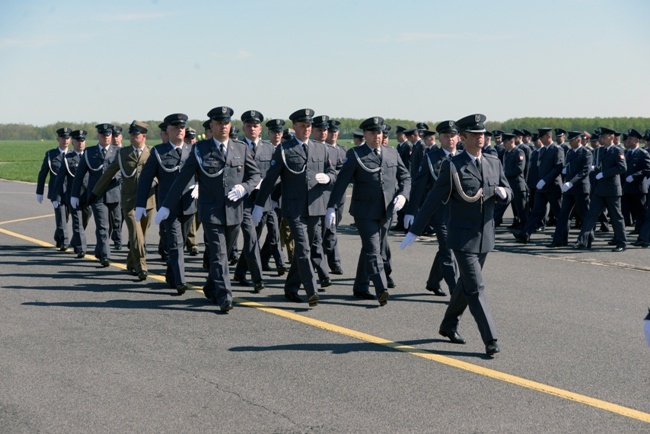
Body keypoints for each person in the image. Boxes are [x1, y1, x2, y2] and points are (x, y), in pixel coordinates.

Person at [401, 114, 512, 357]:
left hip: (485, 235)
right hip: (462, 237)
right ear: (463, 137)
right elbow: (432, 199)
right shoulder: (453, 165)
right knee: (476, 287)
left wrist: (505, 194)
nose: (480, 137)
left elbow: (507, 189)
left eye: (482, 133)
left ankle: (448, 325)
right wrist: (415, 229)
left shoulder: (494, 162)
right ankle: (490, 338)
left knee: (464, 285)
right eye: (474, 134)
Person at [156, 106, 261, 313]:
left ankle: (211, 286)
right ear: (211, 126)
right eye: (219, 123)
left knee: (226, 253)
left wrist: (244, 188)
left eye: (226, 123)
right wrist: (166, 206)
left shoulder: (240, 148)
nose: (223, 127)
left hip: (234, 211)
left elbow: (255, 175)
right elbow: (181, 180)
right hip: (211, 211)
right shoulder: (200, 149)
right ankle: (225, 297)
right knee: (219, 255)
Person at [251, 108, 337, 307]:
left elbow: (333, 172)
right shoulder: (284, 149)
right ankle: (311, 291)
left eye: (308, 126)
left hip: (315, 207)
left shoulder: (321, 148)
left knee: (305, 249)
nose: (306, 129)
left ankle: (290, 288)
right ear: (294, 128)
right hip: (294, 208)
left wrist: (329, 178)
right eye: (302, 126)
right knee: (303, 248)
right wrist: (259, 204)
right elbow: (271, 178)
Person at [325, 116, 409, 305]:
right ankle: (381, 289)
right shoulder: (355, 154)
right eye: (372, 133)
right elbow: (342, 182)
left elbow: (406, 177)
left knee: (371, 248)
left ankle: (361, 286)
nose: (376, 136)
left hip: (386, 210)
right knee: (373, 250)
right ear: (365, 134)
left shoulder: (391, 153)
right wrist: (331, 206)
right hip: (364, 212)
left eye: (379, 133)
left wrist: (403, 195)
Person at [136, 114, 197, 294]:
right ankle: (180, 281)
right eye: (175, 128)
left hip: (188, 205)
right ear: (168, 131)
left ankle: (171, 274)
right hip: (167, 208)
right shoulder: (158, 152)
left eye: (182, 128)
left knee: (181, 242)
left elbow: (203, 172)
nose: (179, 130)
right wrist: (140, 204)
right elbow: (145, 179)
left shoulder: (193, 150)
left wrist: (200, 185)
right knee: (175, 243)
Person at [93, 121, 155, 281]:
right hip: (129, 201)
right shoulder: (123, 153)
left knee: (141, 234)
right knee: (136, 234)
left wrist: (156, 181)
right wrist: (94, 193)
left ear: (144, 136)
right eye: (131, 135)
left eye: (136, 135)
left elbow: (160, 173)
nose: (133, 137)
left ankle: (130, 262)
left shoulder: (152, 152)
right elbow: (109, 173)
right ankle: (141, 267)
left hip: (148, 201)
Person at [404, 121, 460, 296]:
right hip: (439, 212)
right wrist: (411, 211)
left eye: (453, 136)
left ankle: (433, 282)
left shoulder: (463, 156)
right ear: (439, 138)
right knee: (447, 249)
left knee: (448, 248)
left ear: (458, 137)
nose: (450, 140)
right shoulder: (431, 157)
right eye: (446, 136)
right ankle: (456, 291)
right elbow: (419, 186)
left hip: (459, 213)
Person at [232, 110, 274, 292]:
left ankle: (240, 273)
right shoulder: (236, 147)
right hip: (243, 201)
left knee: (254, 238)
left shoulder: (270, 148)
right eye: (248, 126)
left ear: (260, 129)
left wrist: (266, 183)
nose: (252, 129)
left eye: (255, 126)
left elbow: (278, 175)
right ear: (243, 128)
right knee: (250, 238)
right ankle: (258, 278)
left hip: (263, 201)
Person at [70, 123, 120, 267]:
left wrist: (115, 176)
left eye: (109, 135)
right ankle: (105, 256)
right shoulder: (89, 152)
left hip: (114, 194)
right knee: (102, 226)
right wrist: (74, 195)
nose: (106, 137)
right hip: (97, 196)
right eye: (103, 135)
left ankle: (99, 250)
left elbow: (123, 171)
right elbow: (79, 175)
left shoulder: (119, 151)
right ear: (98, 136)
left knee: (110, 226)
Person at [574, 127, 627, 251]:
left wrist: (604, 173)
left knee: (616, 217)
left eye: (604, 137)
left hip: (612, 189)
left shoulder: (617, 150)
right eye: (601, 137)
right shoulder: (601, 151)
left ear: (612, 137)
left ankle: (621, 243)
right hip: (600, 189)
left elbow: (622, 167)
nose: (601, 139)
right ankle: (583, 241)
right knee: (590, 215)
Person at [514, 128, 564, 243]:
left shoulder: (557, 150)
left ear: (548, 136)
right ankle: (525, 235)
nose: (540, 139)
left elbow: (558, 168)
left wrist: (545, 181)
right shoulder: (542, 151)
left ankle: (560, 238)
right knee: (536, 212)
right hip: (542, 188)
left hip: (553, 187)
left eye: (542, 137)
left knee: (559, 214)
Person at [51, 129, 91, 258]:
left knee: (85, 218)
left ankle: (75, 240)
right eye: (78, 140)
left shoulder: (90, 156)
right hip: (73, 195)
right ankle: (81, 248)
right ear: (73, 142)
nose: (80, 143)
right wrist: (56, 196)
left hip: (89, 196)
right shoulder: (68, 158)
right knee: (77, 221)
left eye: (82, 140)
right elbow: (60, 179)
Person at [548, 131, 592, 247]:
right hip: (569, 189)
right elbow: (568, 166)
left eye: (571, 140)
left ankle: (586, 240)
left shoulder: (586, 153)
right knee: (564, 215)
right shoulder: (570, 152)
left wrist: (571, 182)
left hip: (581, 188)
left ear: (578, 140)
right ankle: (559, 240)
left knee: (584, 215)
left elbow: (585, 171)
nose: (570, 142)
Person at [259, 118, 288, 275]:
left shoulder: (286, 150)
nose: (277, 135)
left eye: (279, 132)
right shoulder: (264, 150)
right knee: (270, 231)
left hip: (281, 198)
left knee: (274, 231)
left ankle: (264, 260)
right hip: (265, 197)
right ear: (268, 133)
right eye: (274, 132)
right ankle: (279, 262)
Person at [37, 127, 71, 251]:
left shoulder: (73, 154)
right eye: (63, 138)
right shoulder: (51, 155)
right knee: (61, 216)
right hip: (56, 191)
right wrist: (39, 192)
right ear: (58, 139)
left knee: (65, 217)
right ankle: (65, 242)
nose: (65, 140)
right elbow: (43, 174)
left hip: (69, 191)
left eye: (67, 138)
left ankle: (58, 236)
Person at [322, 119, 347, 275]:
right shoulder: (321, 149)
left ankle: (329, 261)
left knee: (333, 229)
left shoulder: (343, 151)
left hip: (339, 196)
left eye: (335, 132)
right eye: (330, 131)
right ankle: (332, 262)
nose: (333, 134)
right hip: (324, 195)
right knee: (327, 231)